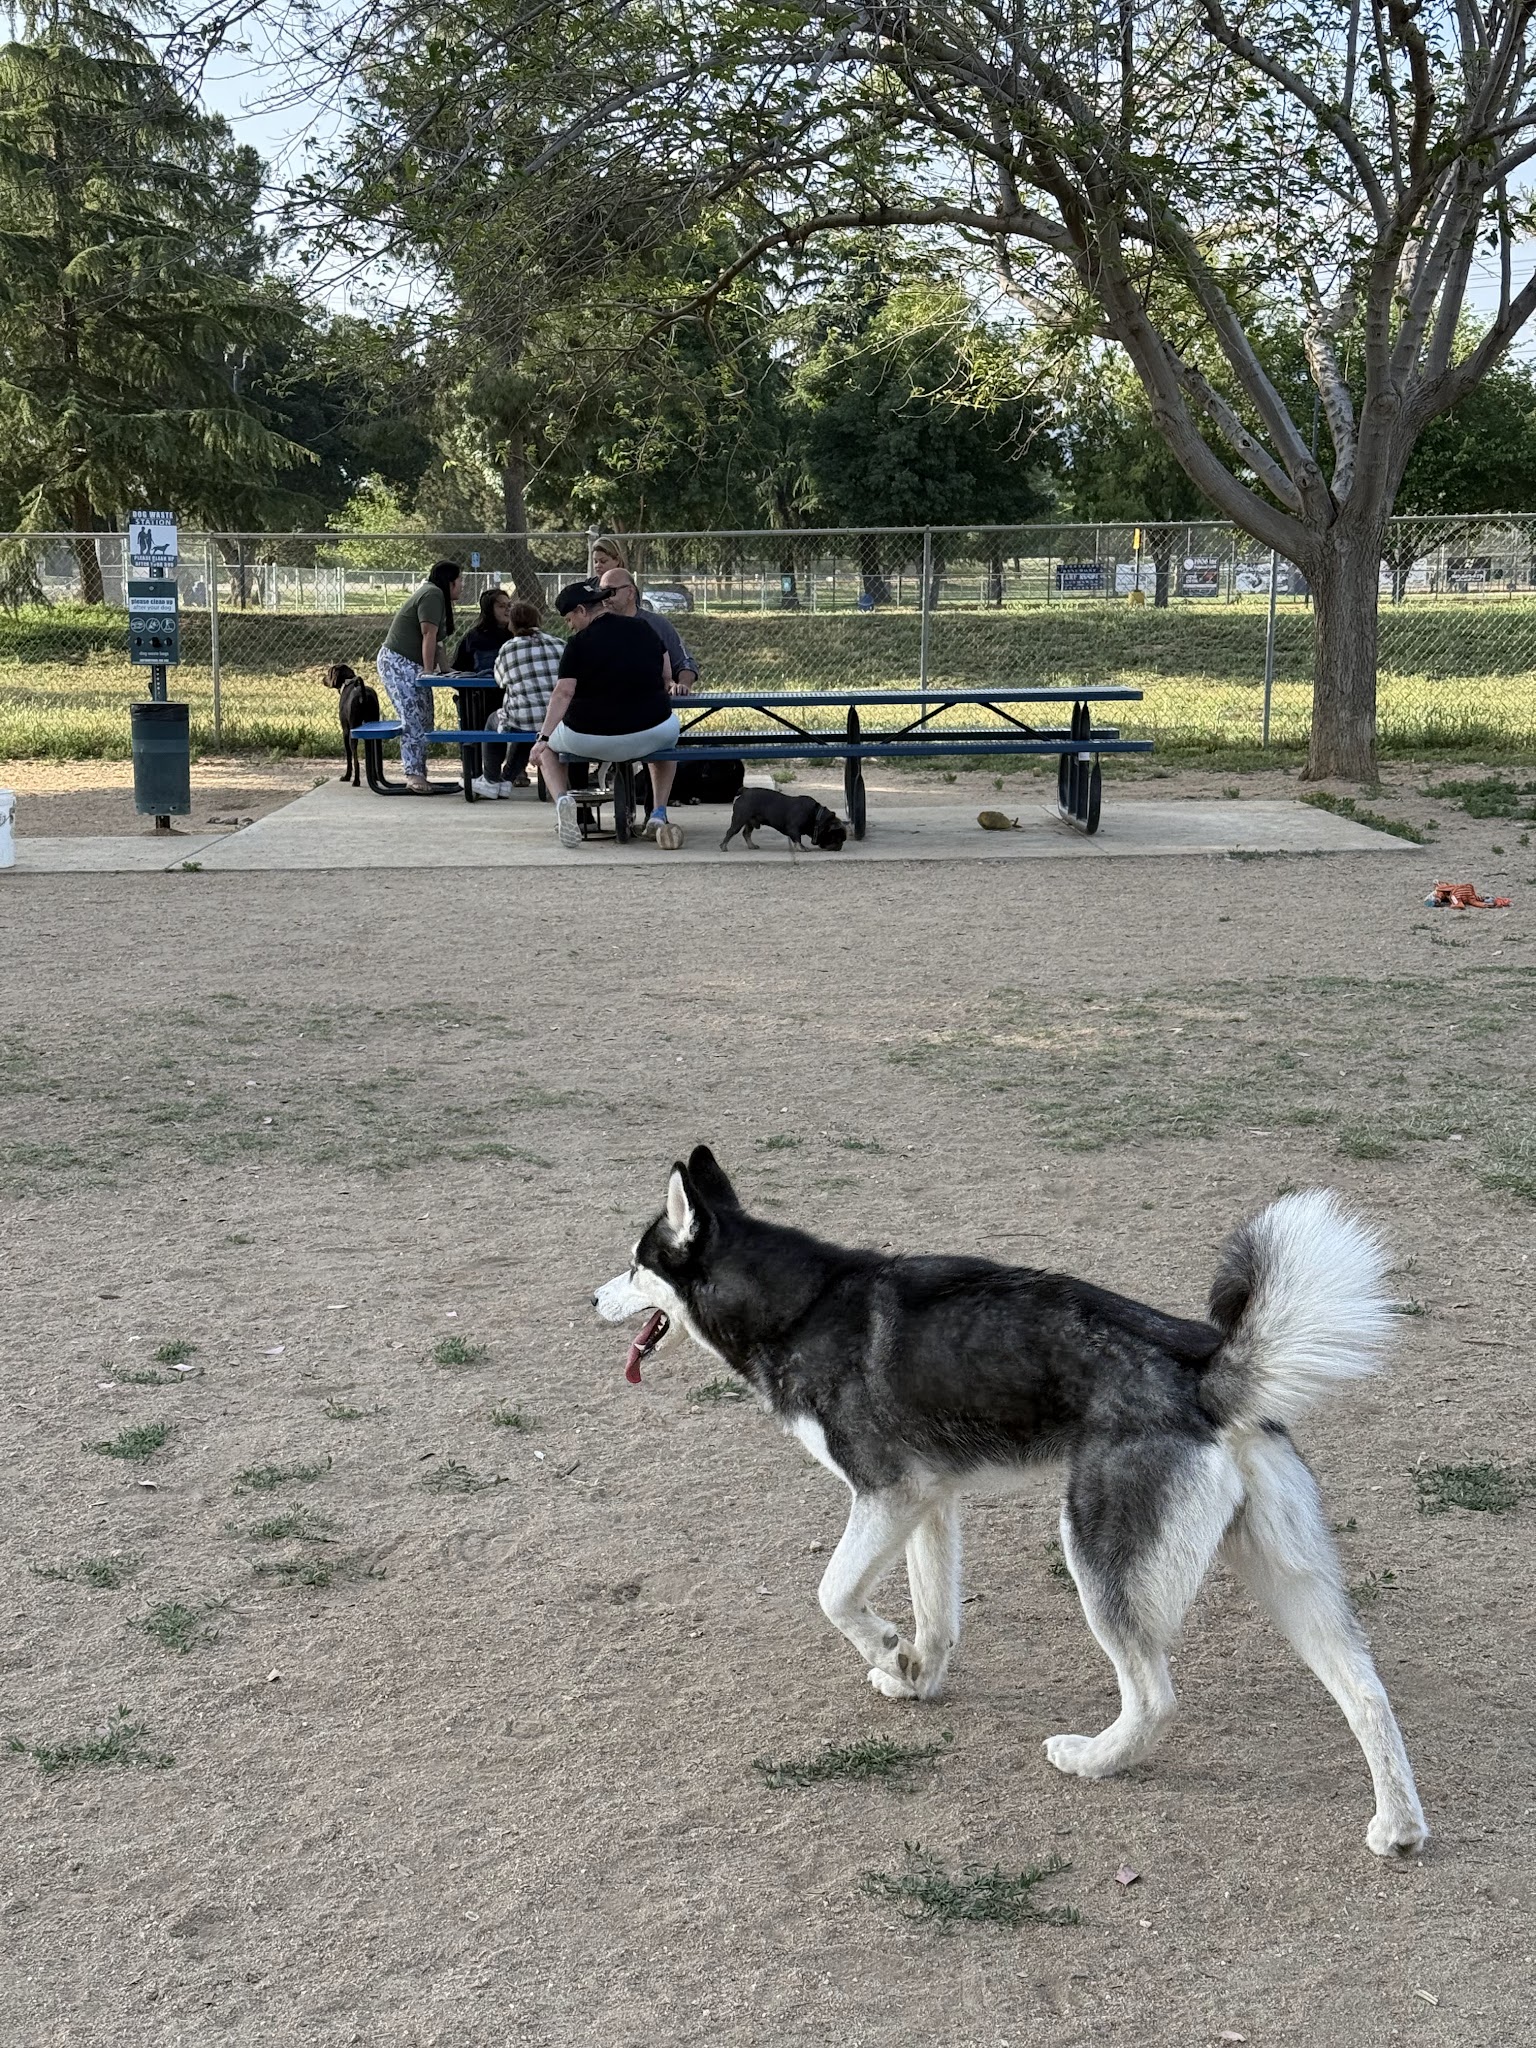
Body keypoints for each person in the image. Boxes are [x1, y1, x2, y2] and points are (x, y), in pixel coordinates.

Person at [530, 580, 688, 850]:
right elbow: (666, 676)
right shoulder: (645, 628)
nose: (570, 626)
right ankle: (658, 814)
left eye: (570, 619)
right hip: (651, 730)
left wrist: (543, 737)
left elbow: (563, 693)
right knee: (668, 741)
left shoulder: (577, 643)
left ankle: (562, 802)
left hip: (590, 736)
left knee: (545, 749)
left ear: (582, 610)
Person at [377, 560, 462, 793]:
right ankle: (413, 775)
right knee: (413, 718)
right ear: (450, 581)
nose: (462, 585)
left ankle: (420, 772)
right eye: (460, 580)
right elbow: (428, 634)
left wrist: (445, 670)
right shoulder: (432, 594)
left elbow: (438, 643)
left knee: (425, 719)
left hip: (412, 664)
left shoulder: (438, 597)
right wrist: (427, 672)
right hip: (398, 662)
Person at [488, 599, 565, 789]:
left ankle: (491, 778)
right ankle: (508, 777)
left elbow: (500, 680)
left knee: (494, 721)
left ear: (511, 623)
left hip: (523, 719)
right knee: (533, 722)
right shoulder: (559, 644)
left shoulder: (508, 648)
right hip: (556, 721)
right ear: (538, 620)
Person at [451, 586, 515, 798]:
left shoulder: (516, 635)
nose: (507, 610)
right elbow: (458, 669)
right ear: (489, 609)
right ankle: (474, 770)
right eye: (501, 606)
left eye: (509, 606)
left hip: (510, 698)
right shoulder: (475, 637)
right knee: (470, 712)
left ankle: (510, 773)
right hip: (481, 697)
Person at [597, 567, 699, 691]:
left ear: (630, 592)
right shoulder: (595, 629)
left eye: (610, 592)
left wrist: (683, 685)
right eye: (601, 592)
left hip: (650, 702)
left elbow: (684, 662)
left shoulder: (657, 624)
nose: (605, 598)